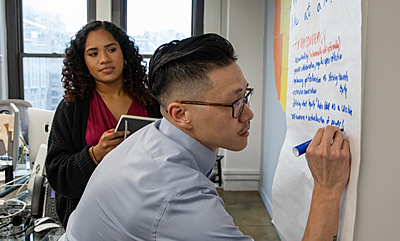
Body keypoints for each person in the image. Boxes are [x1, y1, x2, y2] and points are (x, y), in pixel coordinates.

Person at [58, 33, 350, 240]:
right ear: (181, 114)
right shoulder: (177, 194)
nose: (248, 114)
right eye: (234, 102)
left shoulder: (151, 136)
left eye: (246, 95)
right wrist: (326, 190)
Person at [45, 20, 162, 229]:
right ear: (83, 62)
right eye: (93, 53)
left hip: (146, 213)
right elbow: (57, 173)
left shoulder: (152, 101)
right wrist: (94, 155)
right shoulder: (71, 107)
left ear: (124, 52)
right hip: (92, 219)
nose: (105, 59)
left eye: (111, 49)